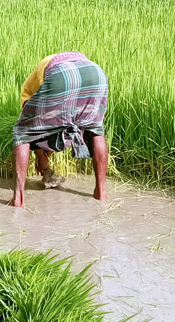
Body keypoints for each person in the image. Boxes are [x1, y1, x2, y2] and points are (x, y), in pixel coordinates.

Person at [9, 52, 109, 207]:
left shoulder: (28, 89)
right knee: (94, 128)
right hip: (95, 73)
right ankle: (101, 193)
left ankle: (18, 200)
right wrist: (43, 154)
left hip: (61, 75)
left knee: (22, 132)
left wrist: (39, 155)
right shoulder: (55, 65)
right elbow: (63, 123)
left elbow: (34, 128)